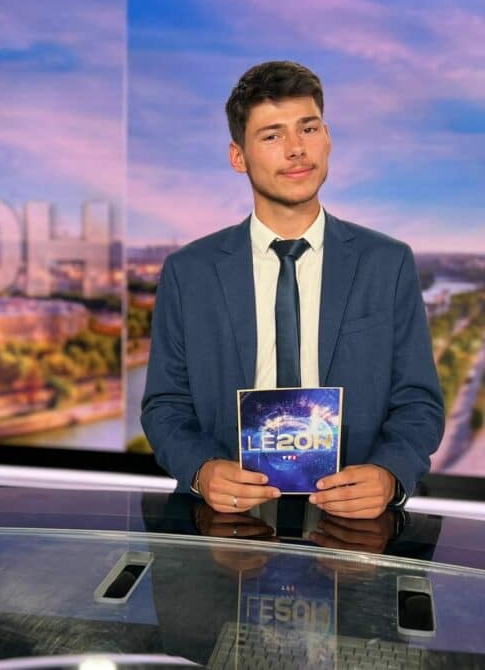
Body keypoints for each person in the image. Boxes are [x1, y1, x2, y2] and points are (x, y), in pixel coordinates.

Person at [142, 60, 444, 519]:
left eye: (308, 128)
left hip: (353, 523)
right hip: (226, 522)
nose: (297, 149)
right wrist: (202, 471)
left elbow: (419, 402)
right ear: (238, 157)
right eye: (272, 136)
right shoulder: (190, 272)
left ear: (328, 138)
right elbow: (165, 405)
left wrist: (389, 475)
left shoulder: (387, 262)